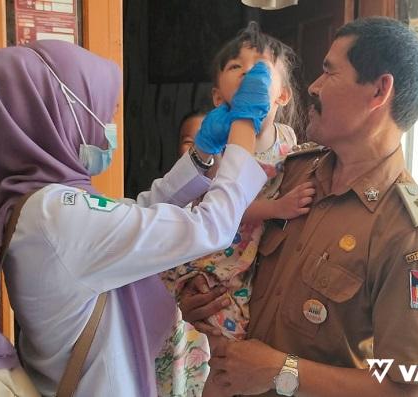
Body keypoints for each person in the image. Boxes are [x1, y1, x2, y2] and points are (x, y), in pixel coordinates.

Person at [0, 39, 274, 396]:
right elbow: (207, 228)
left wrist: (201, 154)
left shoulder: (36, 201)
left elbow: (136, 216)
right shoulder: (54, 214)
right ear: (55, 114)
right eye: (102, 114)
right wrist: (243, 127)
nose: (108, 126)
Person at [180, 17, 418, 397]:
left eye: (329, 72)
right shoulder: (289, 171)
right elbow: (224, 236)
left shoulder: (407, 232)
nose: (313, 86)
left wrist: (282, 372)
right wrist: (200, 300)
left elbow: (410, 389)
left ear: (378, 91)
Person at [156, 22, 316, 397]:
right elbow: (218, 207)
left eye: (261, 68)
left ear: (283, 95)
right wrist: (277, 207)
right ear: (217, 96)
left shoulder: (290, 143)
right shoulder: (217, 148)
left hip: (255, 264)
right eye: (236, 67)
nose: (248, 74)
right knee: (223, 354)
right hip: (216, 259)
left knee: (247, 355)